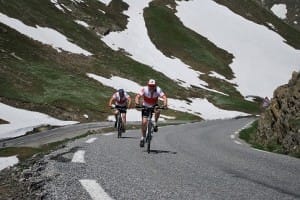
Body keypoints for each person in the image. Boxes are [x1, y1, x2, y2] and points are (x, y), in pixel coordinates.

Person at [135, 79, 168, 147]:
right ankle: (143, 138)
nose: (151, 87)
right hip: (145, 106)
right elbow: (137, 96)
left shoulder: (158, 89)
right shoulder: (144, 89)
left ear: (155, 86)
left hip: (154, 105)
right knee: (144, 122)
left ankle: (155, 123)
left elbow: (164, 97)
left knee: (158, 110)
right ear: (148, 85)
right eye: (150, 86)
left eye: (153, 86)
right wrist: (137, 103)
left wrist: (165, 104)